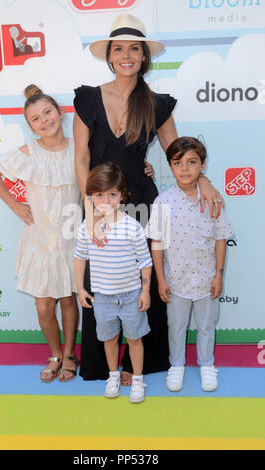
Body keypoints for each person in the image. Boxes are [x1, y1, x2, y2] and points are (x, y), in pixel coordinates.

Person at [73, 13, 224, 383]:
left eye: (134, 49)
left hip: (144, 202)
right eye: (120, 48)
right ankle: (103, 365)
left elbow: (178, 150)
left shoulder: (155, 102)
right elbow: (80, 157)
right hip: (100, 202)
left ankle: (141, 364)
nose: (127, 55)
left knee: (145, 277)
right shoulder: (88, 99)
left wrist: (201, 179)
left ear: (144, 56)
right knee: (102, 279)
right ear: (110, 55)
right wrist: (91, 208)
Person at [0, 84, 81, 383]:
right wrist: (15, 206)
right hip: (40, 240)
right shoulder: (29, 153)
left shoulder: (80, 149)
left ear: (60, 113)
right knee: (43, 304)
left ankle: (69, 354)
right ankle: (53, 353)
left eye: (48, 112)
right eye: (36, 119)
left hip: (70, 238)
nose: (44, 120)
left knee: (67, 300)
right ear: (31, 127)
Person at [145, 137, 234, 392]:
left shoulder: (213, 200)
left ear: (202, 165)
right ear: (171, 166)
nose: (185, 169)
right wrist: (161, 279)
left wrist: (218, 275)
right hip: (176, 280)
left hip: (207, 280)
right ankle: (177, 366)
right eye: (178, 163)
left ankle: (207, 365)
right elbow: (157, 243)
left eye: (192, 162)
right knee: (176, 326)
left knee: (207, 325)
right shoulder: (163, 201)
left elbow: (220, 239)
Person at [74, 162, 152, 402]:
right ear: (91, 197)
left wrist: (145, 290)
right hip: (103, 297)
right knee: (109, 339)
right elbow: (79, 258)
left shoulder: (132, 226)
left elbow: (145, 261)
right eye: (99, 195)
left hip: (131, 294)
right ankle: (113, 376)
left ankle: (138, 379)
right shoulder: (87, 229)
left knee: (134, 338)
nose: (106, 200)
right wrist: (80, 289)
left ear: (122, 195)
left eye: (112, 194)